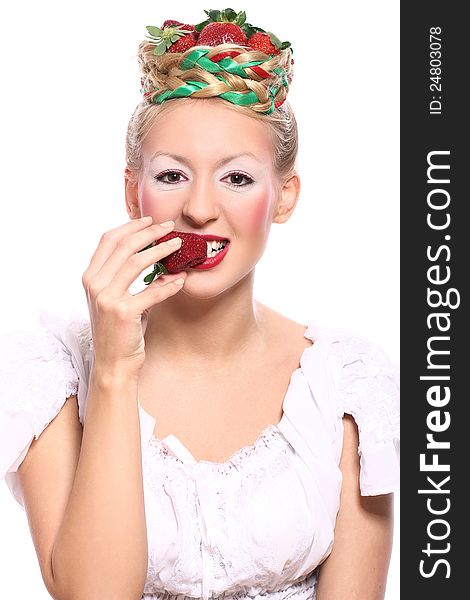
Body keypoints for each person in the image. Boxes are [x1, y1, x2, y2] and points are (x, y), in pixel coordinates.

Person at [0, 7, 400, 600]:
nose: (200, 210)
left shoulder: (347, 383)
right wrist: (112, 367)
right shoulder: (50, 376)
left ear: (284, 196)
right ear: (133, 193)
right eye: (171, 177)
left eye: (237, 178)